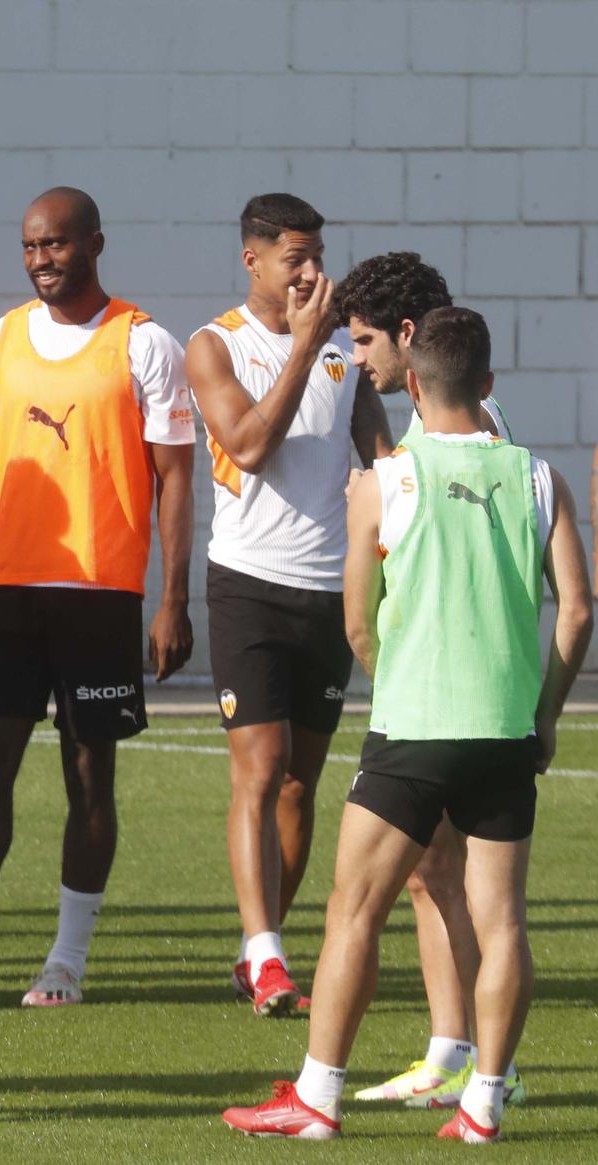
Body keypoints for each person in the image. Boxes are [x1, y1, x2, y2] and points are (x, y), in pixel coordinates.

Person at [222, 306, 590, 1143]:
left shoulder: (383, 481)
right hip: (504, 731)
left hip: (414, 729)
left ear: (413, 383)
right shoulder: (540, 477)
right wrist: (544, 714)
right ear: (490, 385)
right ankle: (484, 1104)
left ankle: (316, 1100)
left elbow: (358, 621)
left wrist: (401, 689)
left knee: (355, 908)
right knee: (503, 925)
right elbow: (576, 612)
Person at [0, 188, 196, 1009]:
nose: (41, 261)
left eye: (56, 245)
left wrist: (173, 599)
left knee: (89, 777)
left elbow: (174, 479)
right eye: (30, 248)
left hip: (100, 595)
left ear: (94, 243)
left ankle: (66, 960)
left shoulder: (145, 343)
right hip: (9, 592)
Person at [331, 252, 522, 1109]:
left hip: (444, 706)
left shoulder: (464, 437)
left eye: (365, 339)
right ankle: (456, 1051)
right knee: (430, 874)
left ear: (409, 338)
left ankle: (486, 1063)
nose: (356, 355)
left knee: (445, 886)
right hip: (466, 706)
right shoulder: (429, 426)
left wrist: (401, 676)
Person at [186, 194, 384, 1016]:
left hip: (327, 591)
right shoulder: (214, 345)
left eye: (317, 256)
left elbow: (384, 458)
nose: (311, 273)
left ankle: (256, 945)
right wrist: (304, 345)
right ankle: (270, 957)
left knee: (301, 785)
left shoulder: (345, 349)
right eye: (294, 258)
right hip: (247, 586)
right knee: (260, 772)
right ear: (253, 261)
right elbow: (250, 446)